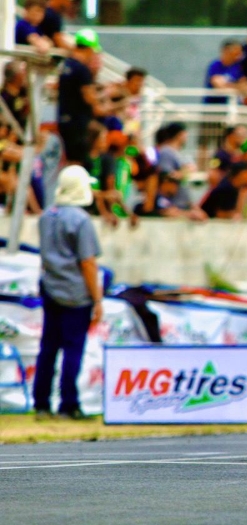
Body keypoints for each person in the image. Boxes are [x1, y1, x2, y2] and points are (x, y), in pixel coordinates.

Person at [34, 166, 103, 420]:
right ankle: (68, 404)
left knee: (48, 347)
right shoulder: (80, 219)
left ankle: (41, 403)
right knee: (73, 348)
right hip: (76, 292)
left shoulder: (47, 215)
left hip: (51, 288)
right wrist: (97, 299)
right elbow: (87, 262)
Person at [58, 29, 104, 164]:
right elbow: (89, 97)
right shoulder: (82, 69)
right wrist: (102, 98)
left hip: (65, 120)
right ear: (89, 49)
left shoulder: (66, 65)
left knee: (71, 159)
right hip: (78, 123)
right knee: (78, 162)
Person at [2, 61, 29, 134]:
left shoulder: (24, 92)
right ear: (17, 76)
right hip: (11, 139)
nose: (25, 75)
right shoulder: (4, 98)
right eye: (23, 72)